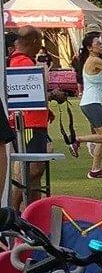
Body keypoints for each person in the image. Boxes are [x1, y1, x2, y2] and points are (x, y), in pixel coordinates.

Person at [6, 29, 53, 199]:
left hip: (32, 122)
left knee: (35, 173)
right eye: (40, 41)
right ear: (34, 41)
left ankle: (33, 210)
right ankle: (15, 208)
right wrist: (52, 95)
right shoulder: (22, 62)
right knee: (32, 169)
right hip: (29, 124)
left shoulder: (20, 60)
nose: (41, 46)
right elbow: (28, 95)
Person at [75, 31, 102, 179]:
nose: (101, 46)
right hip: (91, 103)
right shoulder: (94, 60)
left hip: (94, 102)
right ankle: (77, 140)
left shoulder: (93, 61)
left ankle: (95, 170)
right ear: (89, 47)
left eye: (101, 43)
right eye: (97, 43)